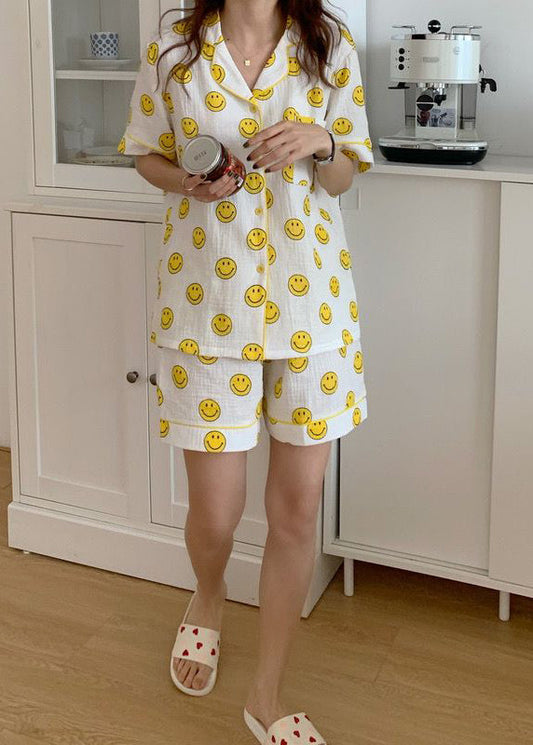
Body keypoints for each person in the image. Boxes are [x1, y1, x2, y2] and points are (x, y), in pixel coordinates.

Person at [119, 1, 373, 742]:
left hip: (311, 313)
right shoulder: (175, 46)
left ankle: (265, 694)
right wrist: (186, 182)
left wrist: (323, 141)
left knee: (296, 512)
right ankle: (207, 595)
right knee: (216, 513)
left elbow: (342, 177)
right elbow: (145, 151)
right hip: (208, 310)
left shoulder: (329, 42)